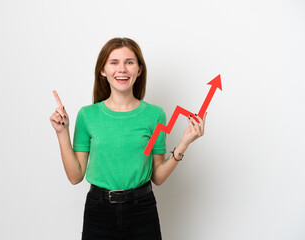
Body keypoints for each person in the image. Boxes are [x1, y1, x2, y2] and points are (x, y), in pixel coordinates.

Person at [49, 37, 206, 239]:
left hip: (142, 210)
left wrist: (185, 143)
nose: (122, 69)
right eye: (114, 62)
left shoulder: (155, 115)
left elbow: (157, 177)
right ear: (103, 70)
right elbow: (75, 176)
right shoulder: (87, 115)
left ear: (139, 70)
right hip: (98, 211)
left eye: (129, 62)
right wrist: (62, 133)